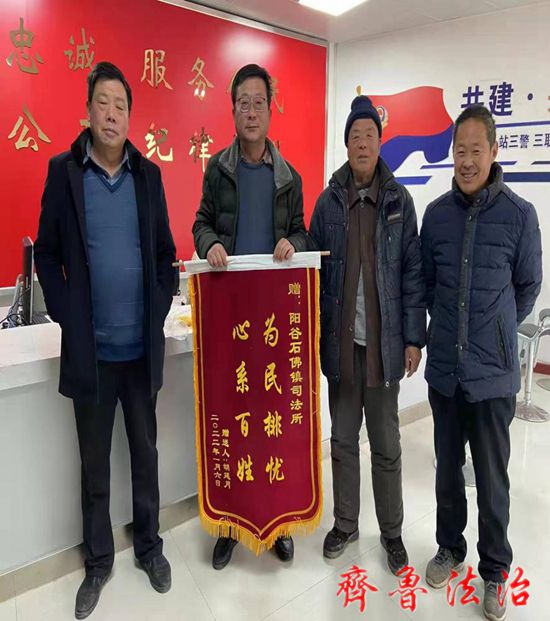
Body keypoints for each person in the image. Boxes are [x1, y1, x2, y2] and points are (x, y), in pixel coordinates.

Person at [34, 61, 176, 619]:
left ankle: (149, 548)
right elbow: (47, 254)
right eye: (103, 103)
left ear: (130, 116)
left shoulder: (148, 176)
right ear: (88, 110)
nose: (111, 114)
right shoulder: (64, 172)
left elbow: (165, 255)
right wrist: (68, 316)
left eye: (120, 105)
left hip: (140, 354)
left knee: (145, 456)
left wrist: (156, 310)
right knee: (94, 466)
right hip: (91, 355)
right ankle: (97, 562)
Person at [421, 104, 542, 621]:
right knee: (447, 472)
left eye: (476, 150)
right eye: (459, 151)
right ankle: (449, 547)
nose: (467, 161)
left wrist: (494, 327)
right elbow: (427, 284)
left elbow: (527, 288)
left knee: (493, 480)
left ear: (494, 152)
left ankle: (494, 571)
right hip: (446, 371)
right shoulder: (436, 216)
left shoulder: (520, 215)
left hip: (492, 377)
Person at [192, 63, 309, 569]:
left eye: (260, 102)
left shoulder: (289, 178)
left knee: (273, 424)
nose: (252, 111)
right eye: (244, 103)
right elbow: (200, 223)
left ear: (270, 108)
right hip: (230, 317)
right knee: (234, 421)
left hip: (275, 323)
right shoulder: (217, 170)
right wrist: (210, 244)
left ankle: (277, 523)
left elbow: (303, 233)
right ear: (233, 109)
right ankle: (231, 526)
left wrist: (293, 243)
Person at [309, 95, 425, 575]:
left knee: (386, 445)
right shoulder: (328, 202)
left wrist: (413, 338)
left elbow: (413, 272)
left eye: (370, 135)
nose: (362, 143)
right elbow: (311, 266)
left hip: (383, 347)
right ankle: (346, 523)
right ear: (346, 144)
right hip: (341, 347)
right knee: (341, 441)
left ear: (380, 142)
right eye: (355, 135)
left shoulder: (399, 201)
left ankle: (392, 533)